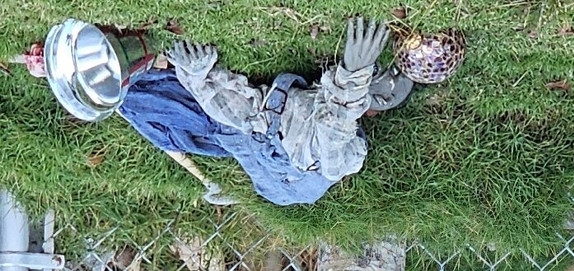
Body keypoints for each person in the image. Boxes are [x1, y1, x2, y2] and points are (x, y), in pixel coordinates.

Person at [26, 17, 415, 205]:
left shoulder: (306, 142)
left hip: (278, 177)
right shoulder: (326, 142)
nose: (370, 86)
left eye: (373, 88)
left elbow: (241, 112)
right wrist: (352, 75)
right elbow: (331, 121)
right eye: (374, 88)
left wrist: (199, 75)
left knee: (178, 116)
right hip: (284, 172)